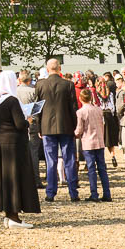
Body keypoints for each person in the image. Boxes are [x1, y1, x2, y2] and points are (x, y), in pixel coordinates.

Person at [0, 71, 39, 227]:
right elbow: (19, 124)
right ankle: (14, 216)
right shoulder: (11, 100)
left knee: (5, 179)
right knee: (15, 178)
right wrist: (28, 120)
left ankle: (8, 214)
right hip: (14, 143)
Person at [34, 59, 78, 202]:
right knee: (69, 160)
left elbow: (37, 109)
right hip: (66, 126)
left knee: (51, 161)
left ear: (47, 69)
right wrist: (75, 125)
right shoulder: (68, 85)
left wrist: (39, 126)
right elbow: (73, 108)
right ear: (59, 68)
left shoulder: (40, 85)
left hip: (47, 126)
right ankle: (73, 193)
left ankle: (50, 193)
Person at [73, 87, 111, 201]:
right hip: (99, 141)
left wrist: (74, 134)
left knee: (91, 169)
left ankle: (94, 193)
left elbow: (79, 130)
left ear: (80, 98)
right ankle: (107, 193)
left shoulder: (80, 112)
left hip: (88, 143)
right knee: (102, 168)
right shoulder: (99, 110)